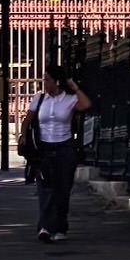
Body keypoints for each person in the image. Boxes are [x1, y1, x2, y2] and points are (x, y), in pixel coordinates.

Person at [30, 62, 91, 244]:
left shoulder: (69, 99)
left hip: (65, 148)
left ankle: (60, 226)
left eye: (47, 79)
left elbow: (86, 104)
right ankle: (45, 227)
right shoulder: (39, 98)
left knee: (63, 190)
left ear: (56, 81)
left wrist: (74, 87)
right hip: (44, 149)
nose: (44, 83)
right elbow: (28, 120)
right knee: (45, 189)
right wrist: (24, 139)